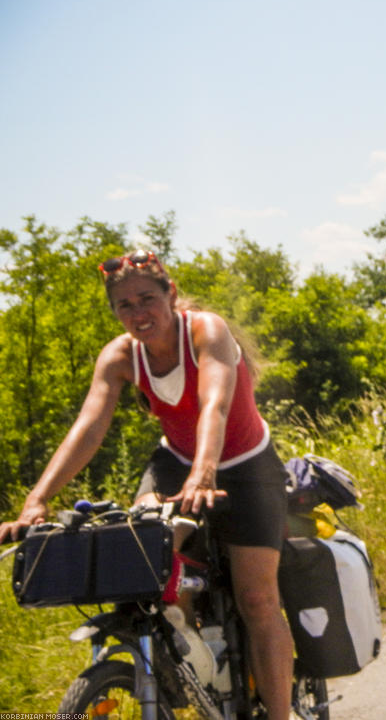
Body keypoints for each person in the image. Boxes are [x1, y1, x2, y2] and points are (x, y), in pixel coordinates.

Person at [0, 250, 295, 720]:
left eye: (147, 299)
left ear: (171, 294)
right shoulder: (121, 356)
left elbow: (215, 404)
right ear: (115, 313)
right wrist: (36, 502)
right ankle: (196, 652)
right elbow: (89, 429)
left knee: (258, 598)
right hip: (176, 463)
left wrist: (205, 472)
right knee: (142, 557)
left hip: (244, 464)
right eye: (124, 306)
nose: (138, 314)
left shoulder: (206, 330)